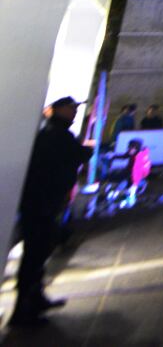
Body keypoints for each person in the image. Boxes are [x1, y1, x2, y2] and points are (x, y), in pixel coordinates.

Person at [10, 96, 93, 327]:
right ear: (58, 110)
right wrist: (86, 149)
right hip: (41, 205)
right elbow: (77, 155)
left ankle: (35, 300)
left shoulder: (53, 132)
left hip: (45, 204)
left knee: (38, 256)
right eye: (71, 108)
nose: (75, 112)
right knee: (34, 257)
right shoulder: (56, 135)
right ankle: (23, 311)